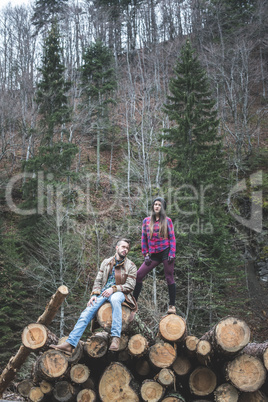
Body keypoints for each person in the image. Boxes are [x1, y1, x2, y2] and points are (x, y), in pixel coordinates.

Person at [51, 239, 137, 353]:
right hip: (103, 293)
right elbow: (98, 280)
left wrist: (114, 289)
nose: (125, 250)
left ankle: (116, 337)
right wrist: (95, 294)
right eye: (123, 247)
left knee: (116, 299)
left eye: (127, 248)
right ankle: (70, 343)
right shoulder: (106, 262)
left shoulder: (131, 266)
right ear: (117, 247)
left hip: (120, 293)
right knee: (87, 312)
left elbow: (130, 286)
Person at [133, 197, 176, 314]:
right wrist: (145, 254)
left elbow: (172, 238)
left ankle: (172, 306)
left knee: (169, 277)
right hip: (153, 254)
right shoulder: (146, 221)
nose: (156, 206)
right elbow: (144, 239)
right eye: (155, 204)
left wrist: (172, 253)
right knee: (138, 275)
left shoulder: (168, 221)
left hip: (166, 251)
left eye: (159, 205)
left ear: (162, 208)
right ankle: (133, 303)